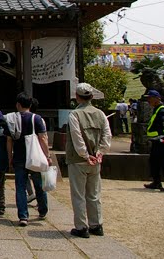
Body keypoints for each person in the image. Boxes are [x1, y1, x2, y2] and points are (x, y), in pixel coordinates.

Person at [66, 83, 112, 239]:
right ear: (92, 97)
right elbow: (107, 136)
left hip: (79, 159)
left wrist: (85, 155)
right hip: (96, 159)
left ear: (77, 97)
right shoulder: (101, 114)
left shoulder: (75, 115)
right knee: (94, 194)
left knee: (78, 194)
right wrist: (100, 153)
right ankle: (96, 224)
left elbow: (76, 137)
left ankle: (81, 226)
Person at [6, 93, 51, 226]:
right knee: (39, 185)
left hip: (19, 156)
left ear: (18, 104)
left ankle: (23, 216)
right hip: (35, 157)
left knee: (20, 187)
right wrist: (47, 156)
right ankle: (42, 210)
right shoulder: (36, 119)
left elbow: (9, 140)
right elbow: (43, 138)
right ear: (30, 105)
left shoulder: (12, 119)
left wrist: (10, 157)